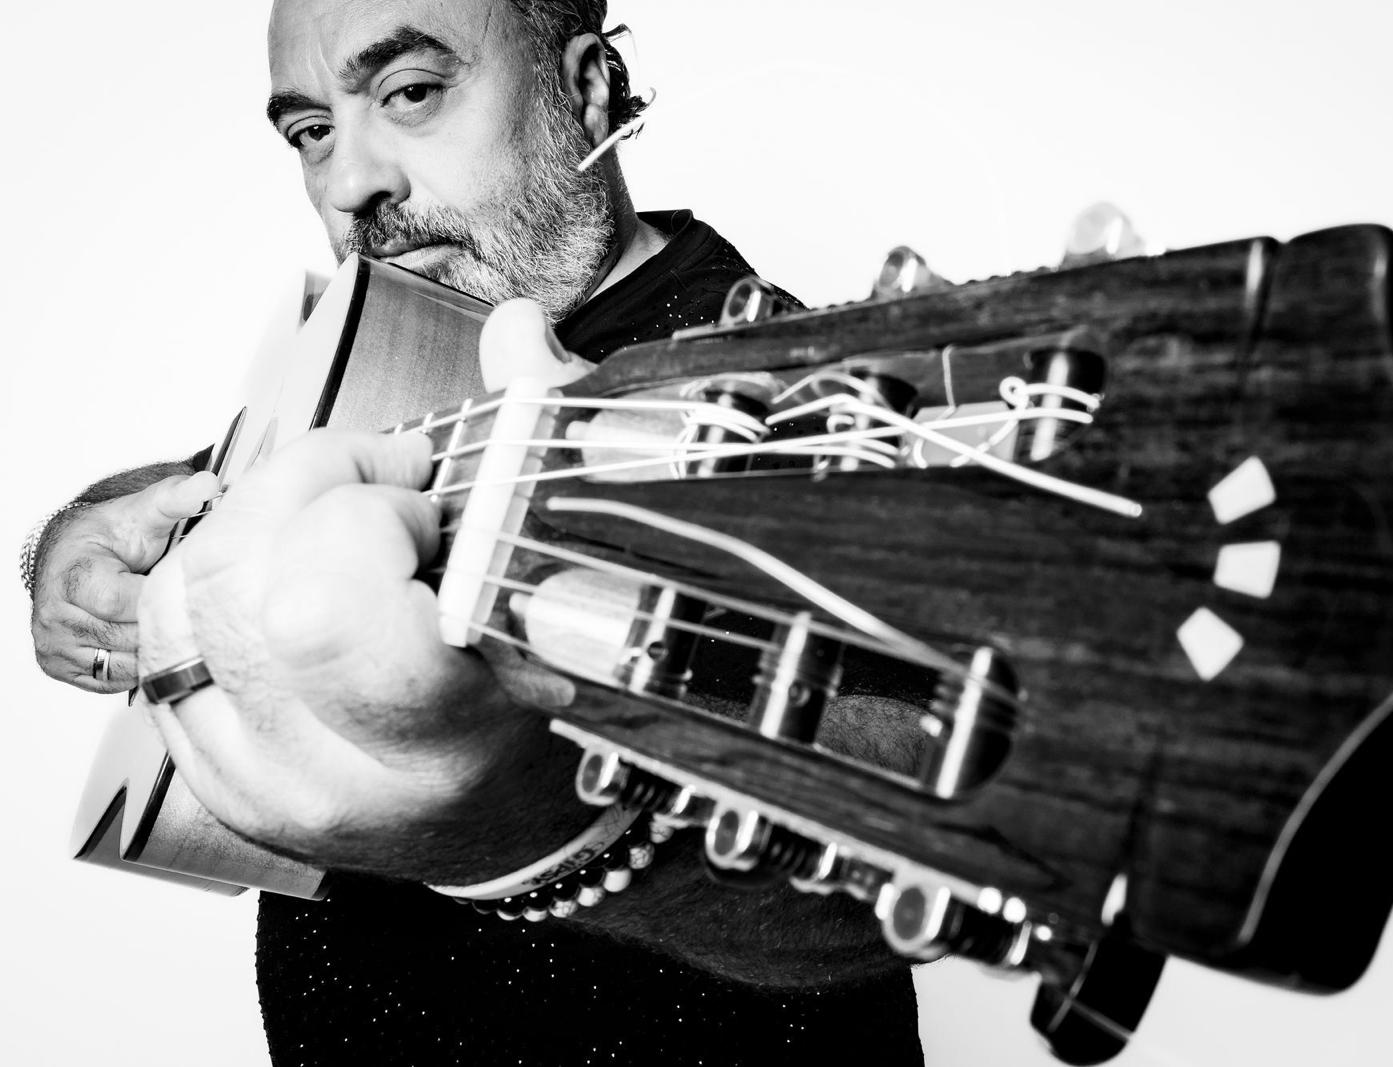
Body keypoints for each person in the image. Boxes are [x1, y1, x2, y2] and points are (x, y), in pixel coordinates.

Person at [24, 1, 926, 1063]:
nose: (349, 183)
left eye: (410, 92)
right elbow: (245, 479)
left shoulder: (796, 401)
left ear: (586, 89)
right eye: (311, 130)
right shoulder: (394, 344)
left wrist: (533, 819)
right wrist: (72, 539)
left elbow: (914, 851)